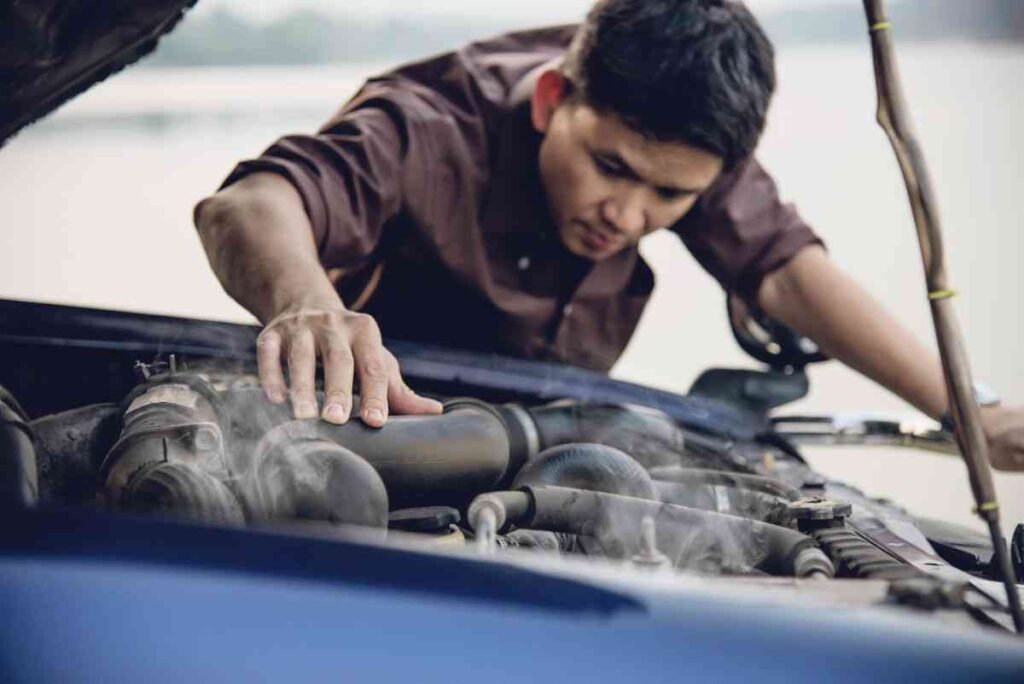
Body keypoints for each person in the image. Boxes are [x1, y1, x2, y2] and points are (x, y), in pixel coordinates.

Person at [194, 0, 1024, 471]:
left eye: (670, 195)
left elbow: (788, 273)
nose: (629, 215)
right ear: (556, 99)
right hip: (366, 437)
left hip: (551, 442)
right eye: (611, 169)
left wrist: (969, 411)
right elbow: (246, 206)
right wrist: (305, 301)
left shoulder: (691, 138)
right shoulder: (428, 127)